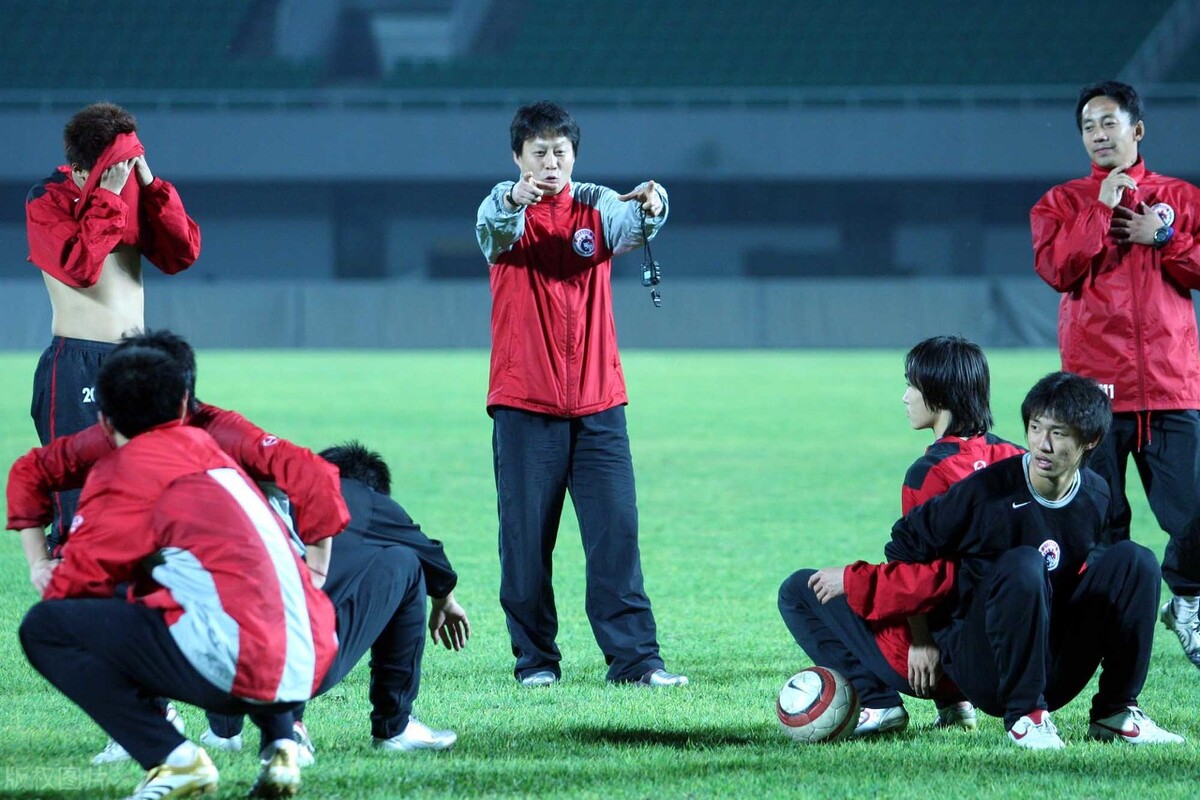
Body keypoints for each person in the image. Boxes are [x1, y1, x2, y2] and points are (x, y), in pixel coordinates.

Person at [8, 329, 348, 766]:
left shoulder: (203, 437)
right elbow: (33, 470)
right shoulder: (145, 432)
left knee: (71, 614)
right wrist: (38, 560)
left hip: (247, 583)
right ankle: (265, 735)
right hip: (284, 618)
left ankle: (191, 746)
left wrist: (316, 567)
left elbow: (311, 473)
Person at [800, 373, 1183, 749]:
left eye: (1059, 433)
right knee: (1023, 564)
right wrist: (916, 631)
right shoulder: (985, 491)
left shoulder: (1096, 494)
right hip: (984, 666)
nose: (1042, 444)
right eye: (1035, 428)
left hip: (1053, 663)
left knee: (1136, 561)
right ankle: (1025, 719)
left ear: (1091, 440)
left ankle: (1115, 713)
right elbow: (904, 547)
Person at [474, 101, 685, 687]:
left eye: (559, 152)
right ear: (517, 157)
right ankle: (535, 661)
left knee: (616, 533)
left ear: (574, 155)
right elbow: (493, 231)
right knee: (525, 542)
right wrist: (516, 199)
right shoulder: (502, 208)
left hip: (599, 403)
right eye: (538, 152)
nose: (550, 163)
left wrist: (653, 202)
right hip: (524, 404)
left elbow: (636, 225)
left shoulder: (595, 203)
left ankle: (637, 661)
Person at [1031, 80, 1200, 670]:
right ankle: (1106, 634)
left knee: (1197, 511)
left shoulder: (1181, 198)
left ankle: (1188, 599)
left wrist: (1168, 238)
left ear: (1138, 129)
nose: (1099, 135)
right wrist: (1102, 209)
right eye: (1088, 126)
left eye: (1109, 123)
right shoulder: (1061, 203)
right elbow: (1056, 268)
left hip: (1172, 386)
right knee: (1104, 525)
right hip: (1094, 395)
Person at [780, 336, 1023, 736]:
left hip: (943, 663)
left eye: (912, 385)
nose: (905, 397)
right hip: (1009, 657)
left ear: (939, 394)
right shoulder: (1017, 458)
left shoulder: (929, 473)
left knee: (799, 590)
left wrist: (923, 642)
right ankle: (955, 705)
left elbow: (921, 577)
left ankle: (878, 704)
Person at [202, 440, 468, 755]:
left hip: (211, 662)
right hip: (294, 664)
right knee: (406, 562)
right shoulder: (367, 501)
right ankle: (393, 727)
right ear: (374, 488)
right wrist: (444, 602)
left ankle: (224, 732)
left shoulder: (267, 493)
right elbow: (432, 556)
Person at [25, 102, 201, 552]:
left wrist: (152, 187)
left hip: (137, 359)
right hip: (78, 363)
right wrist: (108, 195)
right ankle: (72, 594)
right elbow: (80, 266)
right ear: (83, 170)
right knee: (77, 490)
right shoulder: (47, 197)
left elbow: (180, 254)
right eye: (114, 167)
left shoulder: (134, 194)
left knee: (157, 479)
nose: (122, 177)